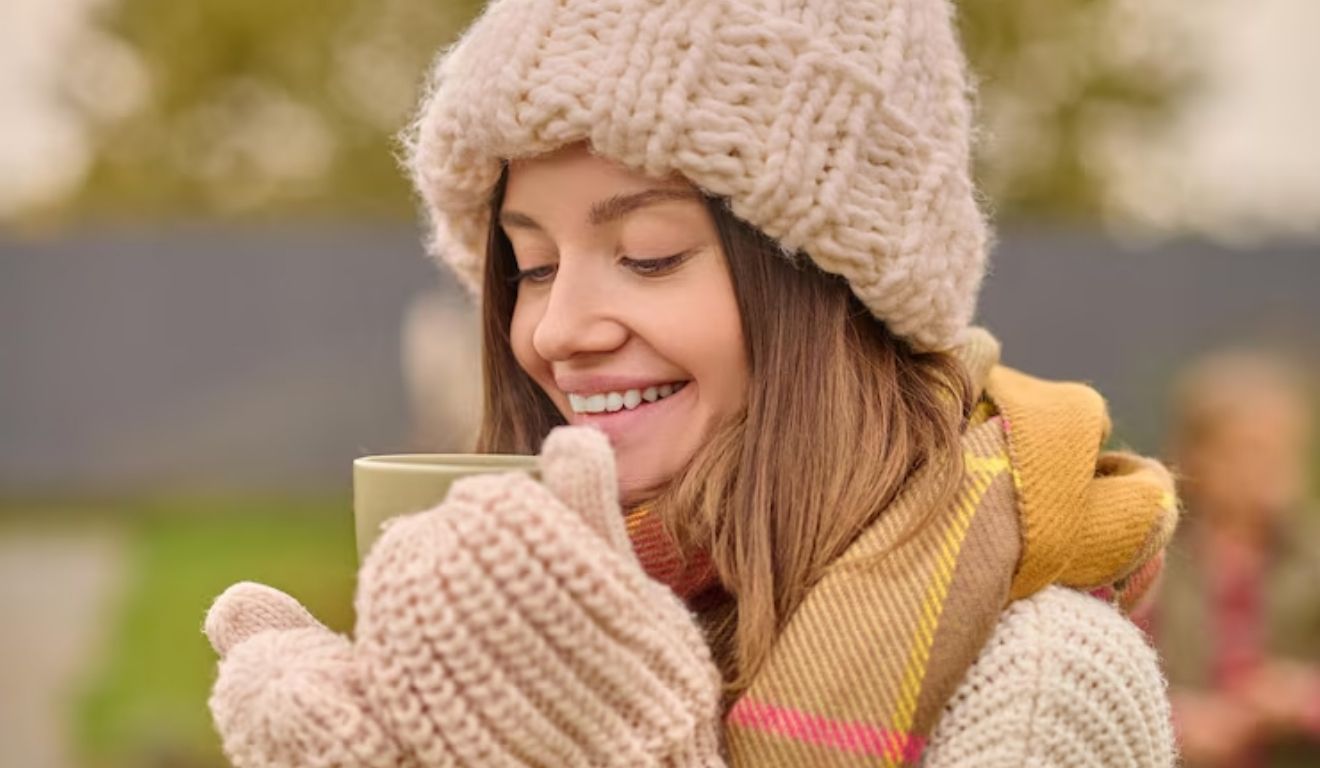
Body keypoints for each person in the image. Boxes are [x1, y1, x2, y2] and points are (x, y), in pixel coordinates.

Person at [201, 1, 1181, 765]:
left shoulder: (1043, 682)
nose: (558, 330)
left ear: (835, 291)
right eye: (532, 266)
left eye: (650, 254)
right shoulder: (538, 612)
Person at [1142, 352, 1320, 767]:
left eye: (1285, 451)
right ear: (1195, 459)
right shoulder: (1150, 561)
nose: (1269, 470)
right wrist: (1178, 720)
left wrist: (1298, 698)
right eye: (1250, 451)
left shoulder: (1311, 558)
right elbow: (1110, 671)